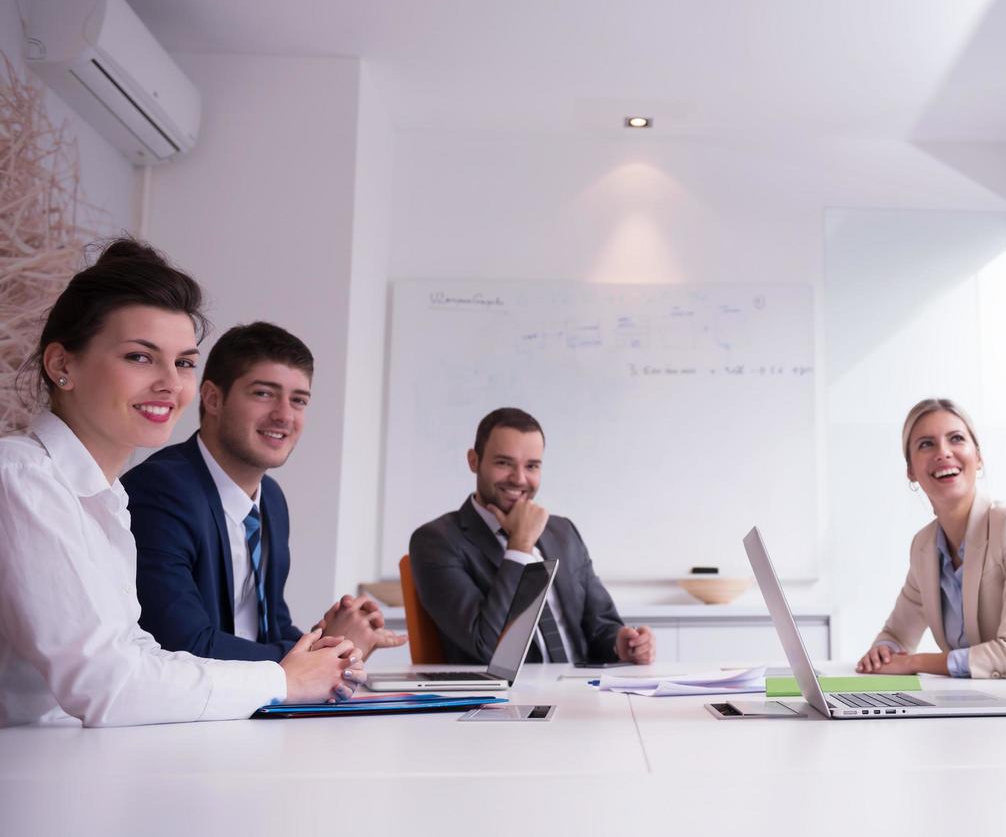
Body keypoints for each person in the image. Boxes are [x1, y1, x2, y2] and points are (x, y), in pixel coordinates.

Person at [0, 239, 361, 727]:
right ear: (63, 365)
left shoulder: (107, 498)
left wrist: (317, 661)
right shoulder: (23, 479)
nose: (171, 383)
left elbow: (140, 653)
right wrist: (284, 679)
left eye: (185, 362)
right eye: (140, 357)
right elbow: (105, 683)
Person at [124, 322, 406, 663]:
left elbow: (270, 629)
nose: (284, 415)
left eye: (298, 400)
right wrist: (324, 650)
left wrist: (332, 644)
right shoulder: (161, 491)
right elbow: (185, 646)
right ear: (213, 398)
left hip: (245, 708)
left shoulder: (270, 499)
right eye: (264, 393)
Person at [856, 398, 1006, 692]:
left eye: (956, 438)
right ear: (910, 471)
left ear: (978, 457)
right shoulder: (924, 546)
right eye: (926, 444)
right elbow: (896, 633)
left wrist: (912, 662)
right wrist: (884, 649)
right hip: (985, 710)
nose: (943, 452)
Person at [409, 407, 655, 665]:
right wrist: (520, 546)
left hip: (582, 690)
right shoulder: (437, 541)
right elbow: (487, 648)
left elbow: (601, 624)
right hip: (511, 699)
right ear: (474, 461)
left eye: (532, 466)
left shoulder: (563, 532)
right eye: (504, 463)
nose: (519, 478)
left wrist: (622, 644)